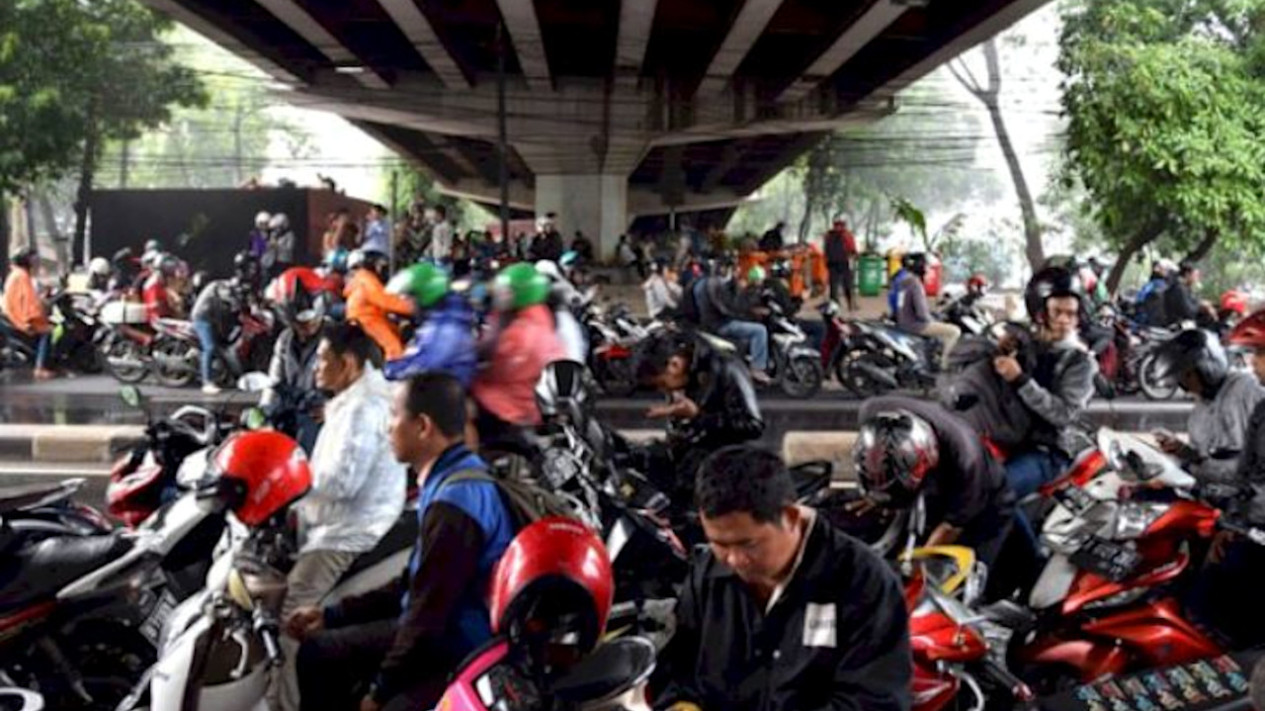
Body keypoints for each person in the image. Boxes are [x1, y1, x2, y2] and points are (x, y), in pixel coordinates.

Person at [289, 372, 516, 711]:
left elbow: (427, 620)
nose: (387, 427)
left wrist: (379, 693)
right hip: (444, 633)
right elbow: (413, 585)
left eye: (394, 415)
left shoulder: (454, 506)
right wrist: (331, 615)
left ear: (423, 426)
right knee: (320, 651)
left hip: (459, 649)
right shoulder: (454, 479)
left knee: (325, 660)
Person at [654, 445, 912, 711]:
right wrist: (679, 703)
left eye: (748, 544)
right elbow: (675, 671)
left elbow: (876, 701)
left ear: (790, 517)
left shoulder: (863, 581)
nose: (734, 560)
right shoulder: (706, 576)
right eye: (720, 544)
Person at [274, 323, 405, 711]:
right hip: (347, 519)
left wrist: (289, 490)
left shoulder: (362, 410)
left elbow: (341, 482)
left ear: (347, 363)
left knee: (289, 614)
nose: (316, 368)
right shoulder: (357, 401)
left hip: (347, 531)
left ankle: (286, 704)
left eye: (322, 360)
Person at [851, 396, 1016, 578]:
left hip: (985, 503)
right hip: (932, 484)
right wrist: (877, 492)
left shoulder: (968, 461)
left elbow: (951, 526)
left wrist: (919, 566)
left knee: (965, 577)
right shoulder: (871, 412)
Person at [999, 266, 1098, 498]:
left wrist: (1021, 380)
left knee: (999, 491)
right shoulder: (1027, 346)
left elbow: (1064, 414)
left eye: (1071, 314)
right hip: (1012, 438)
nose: (1064, 320)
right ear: (1040, 313)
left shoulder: (1080, 361)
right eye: (1057, 312)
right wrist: (1002, 351)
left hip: (1050, 449)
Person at [1208, 312, 1265, 647]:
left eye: (1261, 354)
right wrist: (1231, 524)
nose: (1253, 362)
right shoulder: (1262, 410)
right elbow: (1247, 472)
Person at [1149, 328, 1263, 487]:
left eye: (1188, 375)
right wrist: (1183, 451)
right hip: (1213, 490)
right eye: (1180, 379)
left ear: (1207, 367)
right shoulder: (1199, 413)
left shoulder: (1248, 390)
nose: (1184, 385)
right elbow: (1203, 458)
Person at [471, 263, 565, 452]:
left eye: (506, 292)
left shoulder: (522, 332)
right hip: (519, 398)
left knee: (455, 409)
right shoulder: (536, 319)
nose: (501, 296)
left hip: (510, 404)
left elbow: (496, 370)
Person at [383, 263, 477, 387]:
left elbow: (427, 364)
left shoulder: (449, 326)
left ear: (424, 296)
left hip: (443, 393)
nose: (407, 303)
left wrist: (393, 369)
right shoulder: (439, 319)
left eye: (409, 297)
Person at [263, 274, 328, 453]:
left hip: (322, 416)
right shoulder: (285, 340)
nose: (308, 324)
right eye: (301, 322)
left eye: (312, 320)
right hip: (290, 411)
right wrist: (264, 410)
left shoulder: (336, 338)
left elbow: (354, 384)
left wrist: (332, 408)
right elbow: (275, 381)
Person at [687, 265, 773, 384]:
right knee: (760, 330)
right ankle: (757, 368)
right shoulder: (718, 285)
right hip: (721, 324)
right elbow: (728, 307)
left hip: (708, 323)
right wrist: (747, 308)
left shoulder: (701, 284)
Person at [190, 252, 258, 395]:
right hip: (203, 319)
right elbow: (232, 303)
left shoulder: (235, 287)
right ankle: (207, 382)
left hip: (215, 320)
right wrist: (240, 304)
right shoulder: (222, 287)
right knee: (210, 347)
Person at [344, 250, 414, 360]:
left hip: (366, 318)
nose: (380, 268)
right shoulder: (366, 278)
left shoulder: (358, 280)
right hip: (368, 320)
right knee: (394, 348)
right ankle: (397, 369)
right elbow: (384, 300)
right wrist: (412, 307)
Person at [894, 252, 959, 368]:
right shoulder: (916, 284)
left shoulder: (904, 282)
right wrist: (933, 320)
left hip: (904, 321)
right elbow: (922, 314)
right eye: (927, 266)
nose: (929, 270)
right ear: (920, 267)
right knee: (954, 331)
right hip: (915, 325)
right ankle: (945, 366)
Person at [2, 247, 55, 380]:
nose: (37, 263)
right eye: (34, 260)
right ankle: (40, 368)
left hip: (12, 316)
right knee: (47, 332)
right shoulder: (22, 276)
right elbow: (28, 303)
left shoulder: (17, 274)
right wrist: (34, 319)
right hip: (19, 319)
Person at [823, 218, 858, 311]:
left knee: (845, 285)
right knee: (835, 286)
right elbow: (826, 249)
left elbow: (852, 249)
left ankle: (848, 304)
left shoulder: (846, 235)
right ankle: (837, 305)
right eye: (837, 225)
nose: (838, 227)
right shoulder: (830, 235)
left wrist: (853, 256)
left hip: (842, 263)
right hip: (835, 263)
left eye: (840, 225)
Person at [142, 255, 187, 323]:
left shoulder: (164, 283)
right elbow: (154, 309)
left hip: (169, 318)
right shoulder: (153, 285)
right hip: (158, 321)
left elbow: (176, 302)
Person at [1163, 261, 1205, 327]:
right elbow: (1189, 312)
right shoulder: (1179, 289)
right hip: (1178, 325)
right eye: (1195, 275)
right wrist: (1200, 306)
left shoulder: (1185, 288)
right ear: (1187, 274)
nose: (1197, 278)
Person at [268, 213, 297, 279]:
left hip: (285, 262)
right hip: (275, 261)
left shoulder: (290, 235)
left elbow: (289, 249)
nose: (276, 230)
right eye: (275, 228)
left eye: (278, 228)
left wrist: (277, 246)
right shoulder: (274, 235)